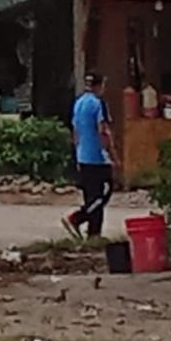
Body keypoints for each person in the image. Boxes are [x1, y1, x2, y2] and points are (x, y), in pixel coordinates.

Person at [64, 72, 117, 240]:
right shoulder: (98, 104)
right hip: (98, 158)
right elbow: (103, 131)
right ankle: (77, 218)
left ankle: (94, 234)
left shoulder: (78, 103)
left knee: (91, 196)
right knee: (103, 194)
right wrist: (112, 154)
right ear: (99, 85)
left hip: (83, 156)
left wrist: (77, 153)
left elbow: (76, 131)